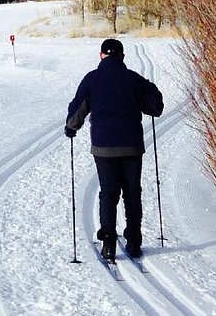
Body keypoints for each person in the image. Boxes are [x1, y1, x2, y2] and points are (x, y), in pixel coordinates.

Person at [65, 37, 164, 262]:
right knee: (132, 193)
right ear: (122, 56)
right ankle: (134, 241)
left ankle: (108, 242)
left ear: (101, 55)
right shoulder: (133, 79)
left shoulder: (92, 79)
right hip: (132, 147)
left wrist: (71, 128)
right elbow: (155, 106)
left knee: (108, 193)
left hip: (104, 148)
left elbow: (78, 109)